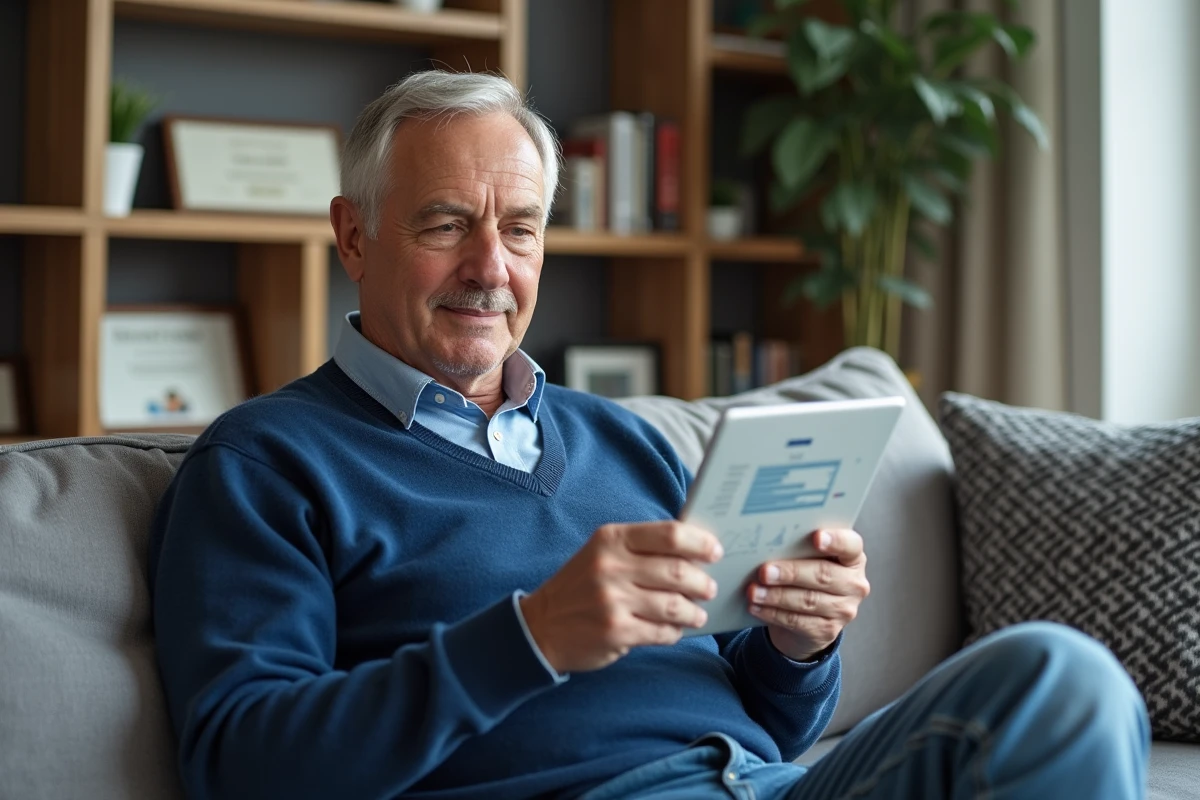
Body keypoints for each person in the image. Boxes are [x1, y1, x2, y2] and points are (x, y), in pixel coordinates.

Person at [148, 71, 1150, 800]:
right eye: (447, 224)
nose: (490, 268)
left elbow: (767, 718)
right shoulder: (269, 459)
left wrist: (799, 645)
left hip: (766, 783)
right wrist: (530, 637)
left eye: (523, 228)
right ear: (354, 234)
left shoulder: (622, 439)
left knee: (1065, 677)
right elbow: (241, 762)